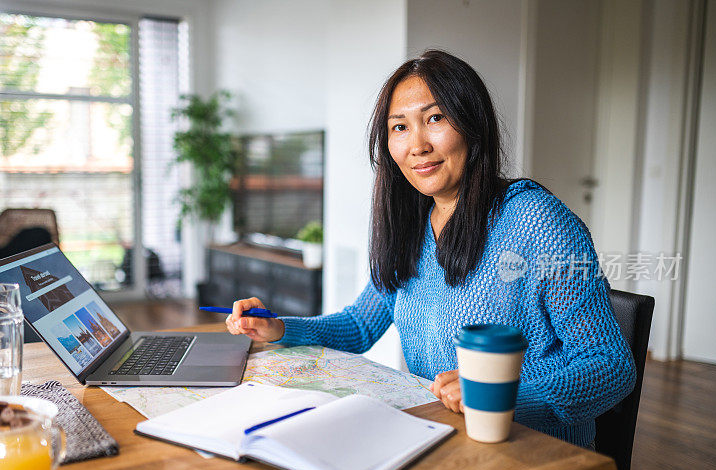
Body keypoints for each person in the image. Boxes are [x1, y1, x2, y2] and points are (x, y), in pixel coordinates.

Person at [225, 50, 635, 448]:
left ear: (473, 126)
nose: (417, 145)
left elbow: (609, 366)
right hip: (442, 438)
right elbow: (359, 325)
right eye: (399, 127)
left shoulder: (536, 220)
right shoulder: (412, 225)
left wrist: (494, 390)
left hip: (533, 453)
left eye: (435, 118)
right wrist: (281, 329)